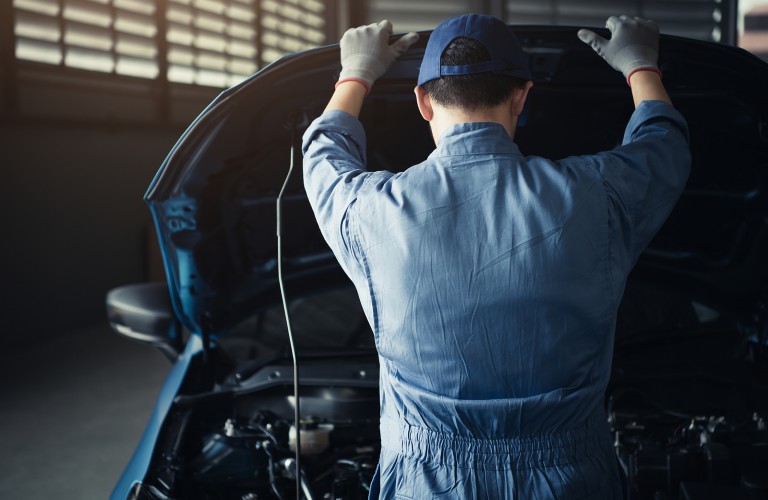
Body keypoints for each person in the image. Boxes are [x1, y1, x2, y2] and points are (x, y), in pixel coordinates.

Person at [302, 13, 690, 499]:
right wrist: (640, 67)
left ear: (423, 102)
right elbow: (664, 148)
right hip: (570, 483)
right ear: (522, 97)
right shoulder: (594, 195)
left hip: (426, 483)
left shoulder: (371, 210)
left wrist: (355, 74)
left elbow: (322, 157)